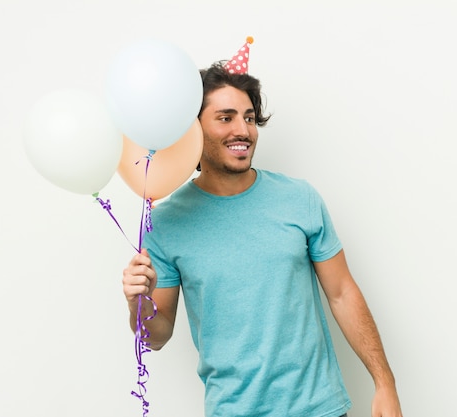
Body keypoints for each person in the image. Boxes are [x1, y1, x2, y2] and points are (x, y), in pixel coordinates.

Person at [122, 39, 403, 417]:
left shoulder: (299, 199)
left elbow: (341, 293)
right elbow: (157, 336)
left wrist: (384, 383)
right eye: (225, 118)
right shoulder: (167, 223)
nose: (244, 130)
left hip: (320, 408)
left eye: (250, 117)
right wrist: (137, 303)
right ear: (193, 128)